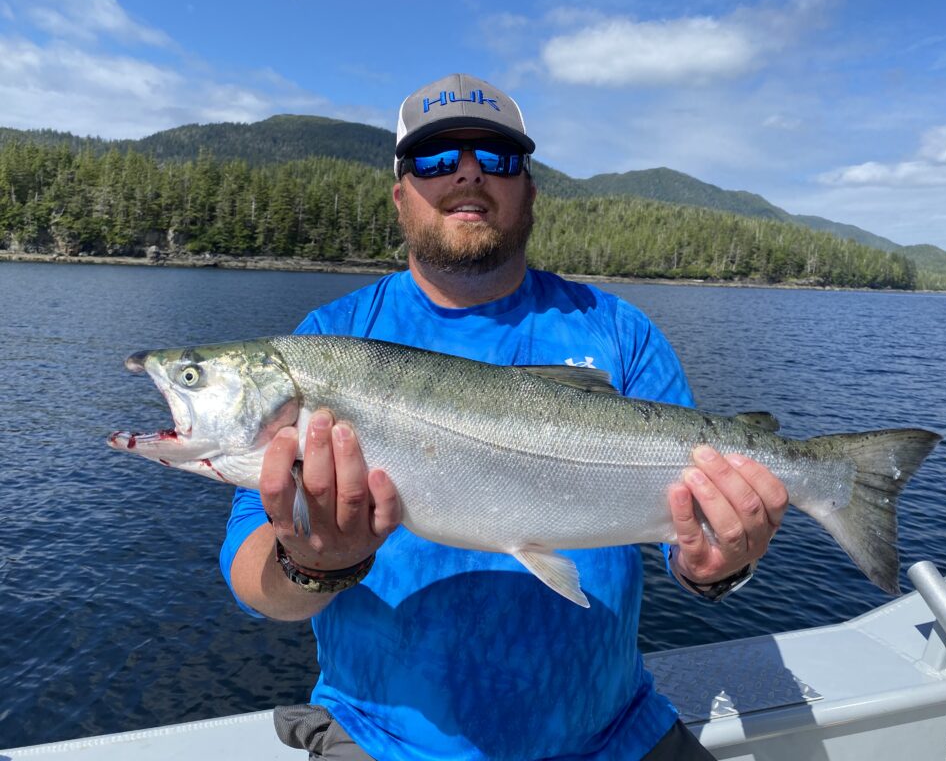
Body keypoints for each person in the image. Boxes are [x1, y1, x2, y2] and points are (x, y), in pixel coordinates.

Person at [221, 73, 789, 760]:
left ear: (530, 191)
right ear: (401, 195)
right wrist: (315, 565)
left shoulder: (622, 333)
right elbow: (254, 579)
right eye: (435, 158)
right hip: (383, 740)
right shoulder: (325, 344)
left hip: (617, 735)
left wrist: (717, 564)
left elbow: (691, 545)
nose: (468, 173)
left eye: (497, 157)